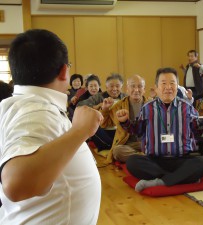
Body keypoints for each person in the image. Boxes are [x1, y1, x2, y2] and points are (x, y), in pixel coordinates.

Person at [0, 29, 103, 224]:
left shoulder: (25, 105)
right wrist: (80, 131)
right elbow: (16, 183)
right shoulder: (35, 111)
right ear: (64, 71)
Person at [116, 67, 203, 192]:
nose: (168, 87)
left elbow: (197, 128)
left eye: (172, 83)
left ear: (177, 86)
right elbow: (138, 130)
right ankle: (183, 178)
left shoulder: (186, 107)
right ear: (156, 88)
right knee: (132, 162)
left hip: (181, 159)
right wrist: (125, 121)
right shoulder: (148, 108)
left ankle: (160, 181)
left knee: (202, 164)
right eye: (163, 83)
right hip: (155, 160)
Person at [100, 75, 147, 163]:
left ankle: (139, 157)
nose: (136, 90)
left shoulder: (151, 105)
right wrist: (105, 109)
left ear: (144, 89)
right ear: (127, 89)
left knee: (160, 147)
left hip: (146, 142)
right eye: (133, 86)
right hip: (127, 144)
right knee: (117, 151)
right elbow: (104, 124)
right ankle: (144, 157)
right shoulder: (119, 105)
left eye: (140, 86)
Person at [78, 73, 127, 151]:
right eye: (111, 86)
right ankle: (111, 146)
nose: (114, 89)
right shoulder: (99, 97)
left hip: (120, 132)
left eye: (117, 86)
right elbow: (80, 105)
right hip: (104, 132)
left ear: (121, 86)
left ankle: (116, 146)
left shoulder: (125, 98)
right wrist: (96, 106)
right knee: (90, 124)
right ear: (106, 87)